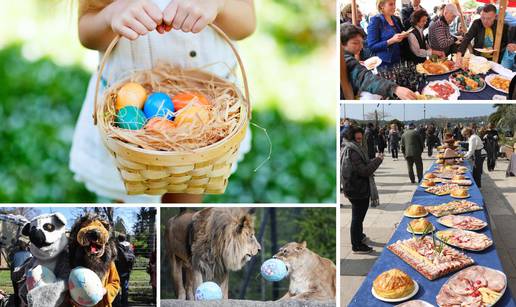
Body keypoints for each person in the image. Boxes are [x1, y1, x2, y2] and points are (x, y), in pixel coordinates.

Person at [70, 0, 256, 203]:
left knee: (186, 195)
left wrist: (218, 5)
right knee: (130, 203)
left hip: (206, 121)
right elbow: (87, 33)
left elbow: (247, 23)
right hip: (126, 132)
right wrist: (110, 16)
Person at [341, 24, 417, 99]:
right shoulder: (344, 59)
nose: (361, 47)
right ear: (341, 44)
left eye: (361, 42)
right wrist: (394, 89)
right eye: (355, 43)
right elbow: (363, 78)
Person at [341, 126, 383, 254]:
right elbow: (364, 171)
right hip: (358, 189)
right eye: (357, 136)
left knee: (358, 217)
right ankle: (357, 245)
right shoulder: (353, 150)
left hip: (355, 188)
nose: (360, 138)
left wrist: (372, 161)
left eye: (361, 136)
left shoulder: (352, 147)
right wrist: (377, 160)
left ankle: (359, 236)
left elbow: (362, 165)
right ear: (352, 136)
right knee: (357, 218)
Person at [367, 0, 410, 68]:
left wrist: (404, 35)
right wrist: (391, 41)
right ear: (382, 6)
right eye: (391, 4)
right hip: (385, 63)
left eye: (394, 4)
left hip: (399, 59)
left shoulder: (396, 19)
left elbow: (399, 34)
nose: (394, 7)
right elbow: (372, 46)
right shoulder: (375, 21)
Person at [114, 234, 135, 307]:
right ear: (125, 238)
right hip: (127, 269)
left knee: (116, 285)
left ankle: (117, 303)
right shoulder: (130, 246)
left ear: (118, 239)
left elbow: (114, 257)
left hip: (118, 268)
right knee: (125, 286)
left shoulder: (117, 246)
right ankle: (125, 302)